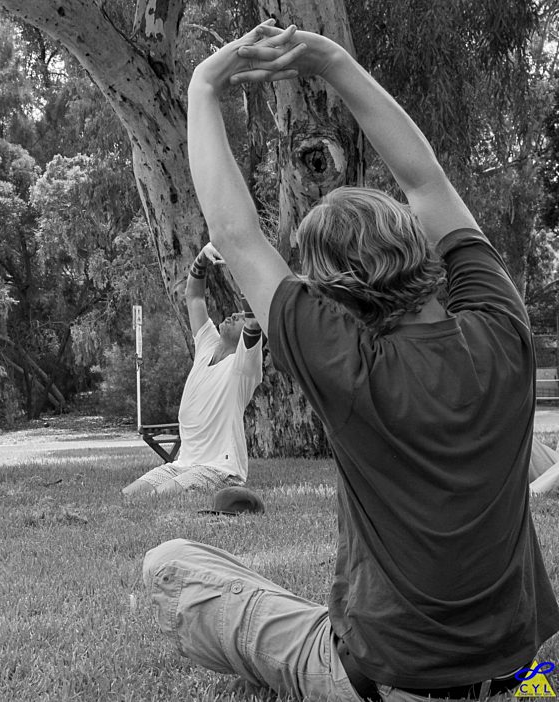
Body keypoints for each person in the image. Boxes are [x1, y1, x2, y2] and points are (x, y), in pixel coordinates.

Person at [143, 20, 559, 702]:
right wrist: (331, 59)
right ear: (423, 248)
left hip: (389, 682)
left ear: (334, 296)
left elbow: (233, 236)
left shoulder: (347, 366)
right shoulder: (502, 328)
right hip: (517, 672)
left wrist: (201, 86)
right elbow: (425, 180)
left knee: (171, 566)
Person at [123, 242, 263, 497]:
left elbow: (255, 320)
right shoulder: (207, 345)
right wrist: (201, 260)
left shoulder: (244, 366)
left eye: (239, 317)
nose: (232, 315)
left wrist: (243, 264)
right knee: (130, 496)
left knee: (158, 498)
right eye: (234, 313)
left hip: (220, 470)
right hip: (183, 464)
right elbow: (194, 296)